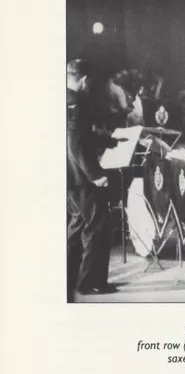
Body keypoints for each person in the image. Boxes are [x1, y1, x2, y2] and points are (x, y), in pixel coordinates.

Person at [66, 59, 119, 300]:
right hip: (83, 179)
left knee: (77, 225)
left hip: (70, 177)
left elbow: (82, 138)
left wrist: (110, 141)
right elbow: (76, 145)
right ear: (84, 80)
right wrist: (96, 176)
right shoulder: (75, 103)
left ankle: (71, 278)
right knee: (98, 226)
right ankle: (90, 282)